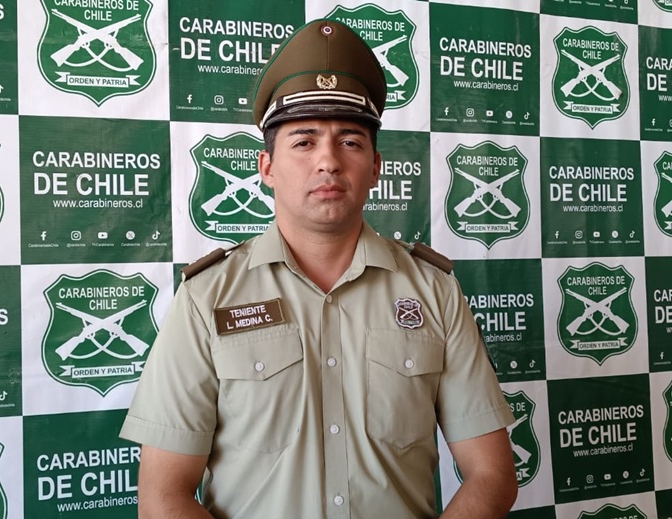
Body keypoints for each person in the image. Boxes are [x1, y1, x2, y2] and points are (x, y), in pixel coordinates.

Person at [120, 18, 518, 519]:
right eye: (304, 142)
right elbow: (163, 498)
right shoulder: (207, 298)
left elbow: (492, 476)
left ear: (376, 167)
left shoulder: (434, 292)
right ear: (266, 168)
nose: (328, 161)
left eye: (350, 141)